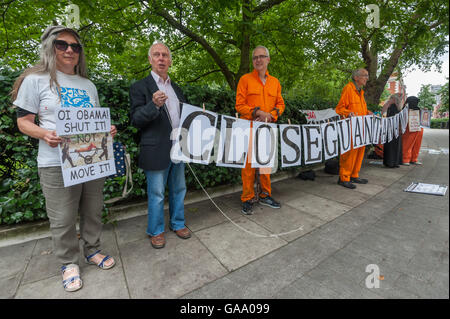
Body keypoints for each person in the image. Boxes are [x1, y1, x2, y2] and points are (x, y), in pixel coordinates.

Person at [12, 25, 117, 292]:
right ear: (51, 47)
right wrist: (45, 134)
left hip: (91, 160)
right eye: (63, 45)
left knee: (93, 210)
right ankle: (68, 262)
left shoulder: (88, 85)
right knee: (63, 217)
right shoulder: (36, 80)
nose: (70, 50)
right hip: (54, 162)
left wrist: (106, 130)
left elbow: (92, 121)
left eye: (75, 47)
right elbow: (23, 123)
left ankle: (93, 250)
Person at [129, 41, 191, 249]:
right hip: (155, 148)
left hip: (179, 147)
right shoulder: (140, 87)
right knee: (156, 193)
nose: (161, 58)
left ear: (170, 61)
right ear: (150, 59)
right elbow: (136, 119)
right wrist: (153, 105)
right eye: (157, 55)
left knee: (179, 189)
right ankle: (155, 230)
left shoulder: (177, 89)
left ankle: (178, 223)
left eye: (165, 55)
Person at [235, 45, 285, 215]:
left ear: (268, 59)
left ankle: (265, 195)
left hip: (267, 128)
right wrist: (257, 112)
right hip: (248, 128)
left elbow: (280, 104)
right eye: (255, 57)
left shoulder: (275, 82)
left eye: (261, 56)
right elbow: (239, 105)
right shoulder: (245, 80)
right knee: (248, 166)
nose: (258, 60)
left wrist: (271, 115)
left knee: (264, 164)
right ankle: (247, 198)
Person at [335, 68, 371, 189]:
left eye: (367, 75)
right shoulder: (348, 89)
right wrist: (348, 113)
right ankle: (344, 178)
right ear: (356, 78)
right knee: (349, 153)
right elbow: (339, 109)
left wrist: (369, 113)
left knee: (360, 151)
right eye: (364, 75)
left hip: (361, 128)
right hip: (350, 128)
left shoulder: (360, 92)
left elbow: (362, 110)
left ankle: (354, 175)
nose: (367, 78)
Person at [381, 93, 403, 168]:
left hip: (396, 128)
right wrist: (388, 102)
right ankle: (389, 162)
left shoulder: (398, 106)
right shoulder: (389, 104)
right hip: (389, 128)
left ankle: (395, 162)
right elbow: (383, 112)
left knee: (396, 145)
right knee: (390, 145)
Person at [401, 96, 424, 165]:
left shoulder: (416, 109)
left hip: (417, 128)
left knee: (416, 145)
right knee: (407, 144)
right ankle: (405, 159)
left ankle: (413, 159)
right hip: (409, 129)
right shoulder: (405, 110)